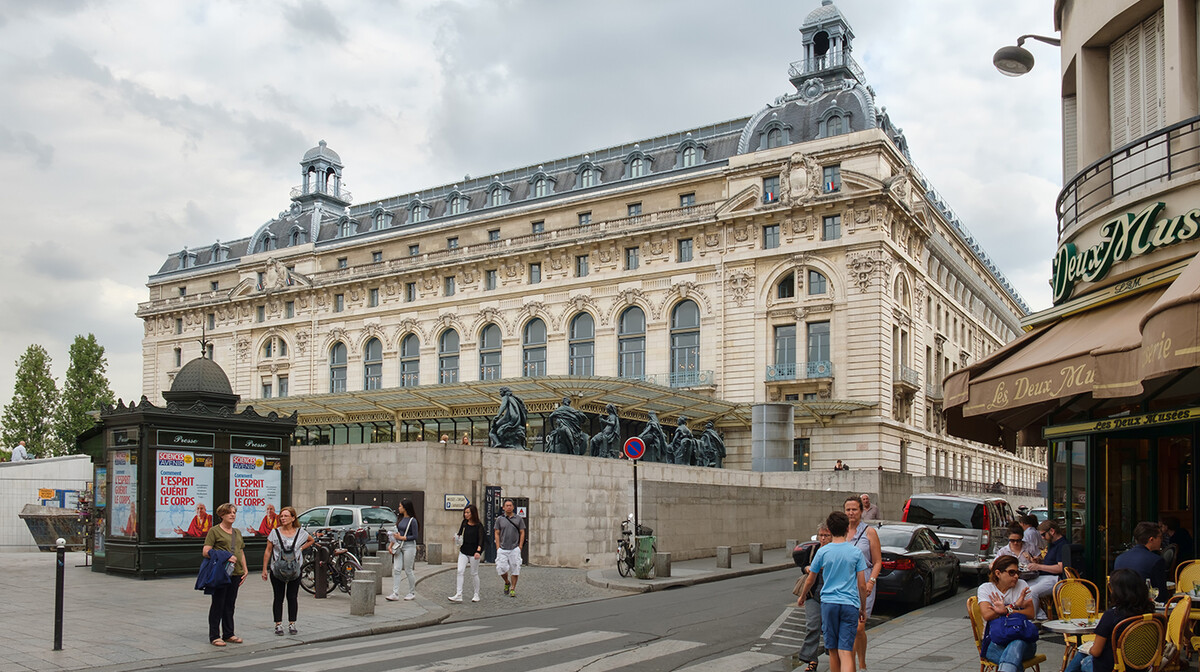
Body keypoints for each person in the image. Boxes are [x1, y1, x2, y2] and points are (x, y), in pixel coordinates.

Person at [797, 511, 867, 672]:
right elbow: (862, 585)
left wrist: (802, 596)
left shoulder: (822, 552)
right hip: (850, 604)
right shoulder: (856, 552)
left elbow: (810, 579)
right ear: (847, 528)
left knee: (833, 650)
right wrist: (862, 608)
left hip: (829, 603)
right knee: (846, 651)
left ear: (830, 529)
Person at [1062, 568, 1155, 672]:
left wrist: (1089, 648)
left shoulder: (1112, 615)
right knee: (1083, 655)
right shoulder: (1152, 615)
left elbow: (1096, 651)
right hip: (1141, 667)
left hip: (1114, 668)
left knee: (1083, 656)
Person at [977, 555, 1038, 672]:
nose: (1016, 576)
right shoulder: (986, 589)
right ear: (998, 573)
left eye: (1017, 573)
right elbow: (987, 615)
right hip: (994, 643)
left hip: (1024, 642)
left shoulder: (1022, 585)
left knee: (1016, 643)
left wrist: (1006, 610)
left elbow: (1031, 613)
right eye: (1011, 572)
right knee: (1013, 662)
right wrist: (1014, 606)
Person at [260, 506, 313, 636]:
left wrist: (300, 549)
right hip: (277, 570)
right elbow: (268, 550)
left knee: (292, 597)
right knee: (278, 597)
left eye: (286, 516)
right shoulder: (275, 533)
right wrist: (264, 569)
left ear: (293, 518)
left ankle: (292, 623)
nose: (283, 518)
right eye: (281, 516)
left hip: (295, 570)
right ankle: (278, 624)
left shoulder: (300, 533)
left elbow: (311, 540)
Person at [844, 495, 881, 672]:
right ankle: (850, 666)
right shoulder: (841, 531)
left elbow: (878, 562)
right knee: (849, 628)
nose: (851, 513)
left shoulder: (869, 532)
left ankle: (862, 663)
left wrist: (871, 582)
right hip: (845, 583)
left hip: (864, 581)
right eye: (848, 510)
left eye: (854, 509)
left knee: (859, 627)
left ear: (861, 511)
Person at [202, 502, 247, 647]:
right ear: (222, 515)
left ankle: (229, 633)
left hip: (236, 572)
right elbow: (206, 551)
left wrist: (245, 569)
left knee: (230, 604)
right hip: (221, 573)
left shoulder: (237, 532)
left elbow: (240, 551)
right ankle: (214, 635)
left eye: (234, 512)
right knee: (218, 604)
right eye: (229, 513)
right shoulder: (214, 531)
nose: (232, 515)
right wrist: (225, 556)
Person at [796, 523, 833, 672]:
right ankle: (811, 660)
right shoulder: (813, 549)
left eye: (826, 535)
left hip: (831, 595)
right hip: (813, 594)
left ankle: (834, 654)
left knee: (829, 628)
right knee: (812, 626)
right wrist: (807, 568)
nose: (823, 538)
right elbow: (803, 565)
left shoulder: (835, 551)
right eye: (821, 535)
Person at [1113, 521, 1168, 601]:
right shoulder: (1156, 560)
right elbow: (1161, 594)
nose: (1161, 540)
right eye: (1160, 537)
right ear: (1151, 539)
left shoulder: (1119, 558)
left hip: (1121, 606)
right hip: (1143, 609)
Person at [1025, 520, 1068, 619]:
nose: (1043, 538)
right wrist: (1039, 561)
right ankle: (1041, 616)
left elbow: (1060, 568)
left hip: (1056, 579)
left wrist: (1039, 566)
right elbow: (1051, 562)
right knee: (1022, 587)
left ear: (1052, 531)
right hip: (1046, 577)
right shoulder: (1054, 544)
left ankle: (1033, 618)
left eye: (1044, 535)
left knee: (1032, 591)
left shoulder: (1062, 545)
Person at [448, 504, 483, 603]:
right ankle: (459, 594)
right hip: (464, 551)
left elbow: (481, 540)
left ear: (473, 513)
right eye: (465, 512)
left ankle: (476, 594)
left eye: (468, 512)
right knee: (460, 571)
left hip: (474, 552)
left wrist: (478, 551)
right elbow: (460, 534)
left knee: (474, 573)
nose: (466, 514)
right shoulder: (464, 523)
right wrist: (456, 538)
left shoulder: (478, 525)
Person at [386, 499, 419, 601]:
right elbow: (397, 533)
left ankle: (411, 592)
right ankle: (395, 593)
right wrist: (391, 545)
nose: (399, 508)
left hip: (409, 546)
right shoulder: (400, 519)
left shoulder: (412, 520)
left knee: (408, 569)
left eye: (400, 506)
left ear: (405, 508)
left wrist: (401, 538)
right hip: (398, 545)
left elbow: (415, 536)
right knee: (396, 569)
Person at [494, 498, 526, 597]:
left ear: (513, 507)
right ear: (503, 507)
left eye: (510, 505)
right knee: (501, 568)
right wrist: (498, 547)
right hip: (503, 548)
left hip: (514, 548)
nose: (508, 507)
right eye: (506, 505)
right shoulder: (500, 519)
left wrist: (520, 546)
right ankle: (507, 582)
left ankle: (513, 588)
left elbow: (522, 532)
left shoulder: (518, 519)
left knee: (515, 568)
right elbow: (497, 532)